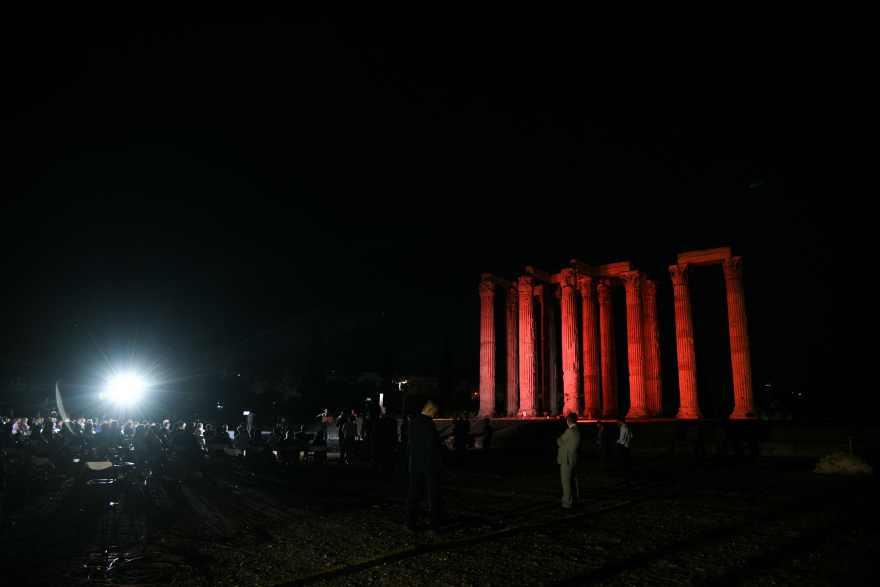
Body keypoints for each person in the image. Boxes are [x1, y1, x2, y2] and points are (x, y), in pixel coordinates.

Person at [405, 400, 442, 533]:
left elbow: (410, 444)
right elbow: (432, 445)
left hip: (415, 464)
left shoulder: (412, 423)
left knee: (413, 495)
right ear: (430, 410)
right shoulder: (429, 424)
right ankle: (434, 526)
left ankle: (410, 524)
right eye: (435, 412)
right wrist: (444, 447)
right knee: (433, 495)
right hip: (430, 465)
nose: (435, 415)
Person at [556, 412, 581, 510]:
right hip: (574, 458)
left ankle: (567, 503)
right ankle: (575, 499)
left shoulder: (569, 431)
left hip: (567, 459)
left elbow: (559, 441)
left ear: (568, 420)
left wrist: (560, 438)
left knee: (566, 481)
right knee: (574, 481)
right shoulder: (577, 430)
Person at [617, 416, 633, 480]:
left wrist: (617, 442)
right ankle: (628, 472)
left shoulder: (623, 428)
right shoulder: (627, 427)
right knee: (627, 460)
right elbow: (631, 436)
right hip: (627, 445)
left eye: (618, 422)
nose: (617, 423)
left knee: (624, 460)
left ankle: (625, 473)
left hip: (623, 446)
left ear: (621, 422)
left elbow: (621, 438)